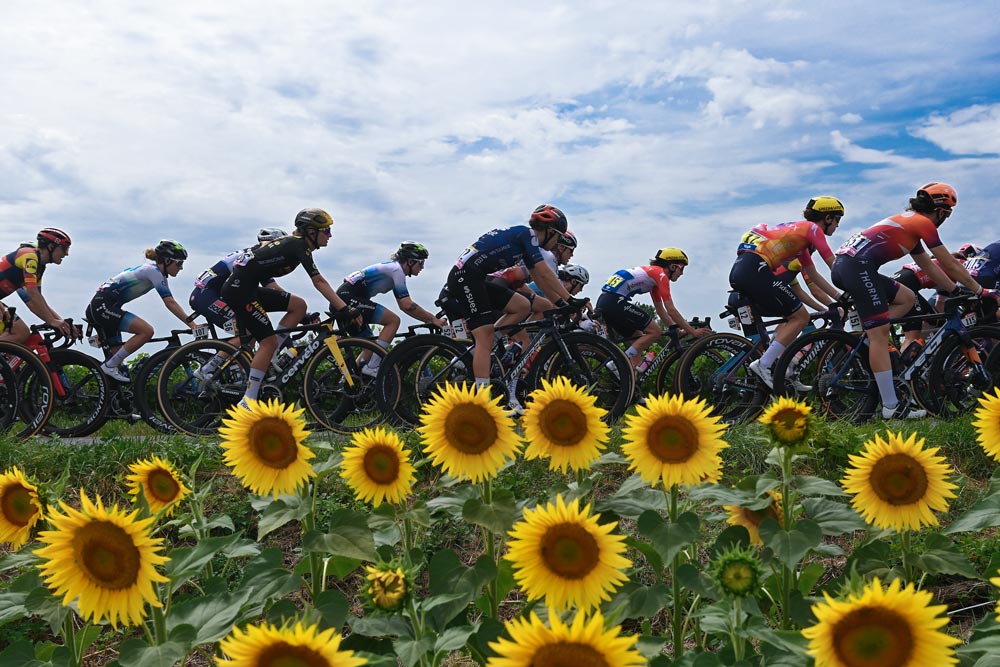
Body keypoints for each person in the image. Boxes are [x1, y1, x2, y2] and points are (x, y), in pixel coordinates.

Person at [830, 182, 994, 419]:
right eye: (947, 214)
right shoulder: (922, 223)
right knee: (880, 333)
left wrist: (954, 290)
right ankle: (891, 407)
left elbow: (928, 265)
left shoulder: (910, 225)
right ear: (939, 209)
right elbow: (947, 262)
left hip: (847, 266)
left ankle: (870, 336)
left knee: (906, 298)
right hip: (857, 268)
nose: (945, 219)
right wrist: (979, 291)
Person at [221, 208, 361, 409]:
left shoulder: (294, 244)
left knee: (298, 305)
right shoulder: (298, 245)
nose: (330, 235)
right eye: (326, 230)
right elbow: (319, 281)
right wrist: (345, 308)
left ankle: (272, 356)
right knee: (267, 342)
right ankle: (248, 401)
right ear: (311, 232)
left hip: (247, 287)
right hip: (240, 291)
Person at [443, 204, 586, 389]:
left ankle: (486, 345)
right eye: (558, 236)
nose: (557, 242)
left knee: (522, 306)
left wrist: (561, 303)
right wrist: (570, 299)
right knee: (484, 335)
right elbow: (545, 272)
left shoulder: (526, 241)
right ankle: (482, 399)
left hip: (476, 277)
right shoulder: (527, 235)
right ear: (550, 231)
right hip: (465, 277)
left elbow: (540, 278)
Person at [729, 196, 845, 388]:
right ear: (828, 218)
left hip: (742, 270)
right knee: (801, 317)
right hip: (755, 268)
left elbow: (814, 276)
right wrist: (856, 288)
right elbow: (833, 263)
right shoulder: (813, 229)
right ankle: (765, 364)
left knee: (790, 316)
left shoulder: (798, 243)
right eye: (837, 220)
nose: (837, 226)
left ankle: (783, 370)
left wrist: (839, 298)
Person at [87, 240, 196, 382]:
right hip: (103, 307)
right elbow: (170, 302)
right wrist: (192, 325)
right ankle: (109, 367)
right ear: (167, 261)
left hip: (102, 306)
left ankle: (113, 392)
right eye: (179, 263)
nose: (181, 268)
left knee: (117, 358)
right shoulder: (153, 271)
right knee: (146, 331)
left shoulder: (154, 271)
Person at [337, 241, 446, 378]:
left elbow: (403, 305)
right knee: (393, 321)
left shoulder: (392, 269)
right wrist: (433, 319)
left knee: (370, 346)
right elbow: (407, 305)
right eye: (421, 263)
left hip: (345, 299)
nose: (422, 267)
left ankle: (348, 382)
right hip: (348, 300)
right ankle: (373, 367)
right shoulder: (397, 271)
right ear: (411, 261)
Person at [596, 248, 711, 368]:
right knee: (656, 331)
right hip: (614, 301)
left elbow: (661, 311)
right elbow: (671, 310)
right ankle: (618, 363)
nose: (682, 273)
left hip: (606, 301)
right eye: (682, 268)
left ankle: (629, 379)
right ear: (672, 266)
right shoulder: (661, 275)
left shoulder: (653, 277)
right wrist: (692, 331)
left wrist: (676, 330)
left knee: (638, 339)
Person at [189, 227, 288, 335]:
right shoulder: (257, 257)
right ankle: (222, 353)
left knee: (253, 330)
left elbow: (273, 289)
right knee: (248, 331)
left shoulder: (255, 253)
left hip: (211, 294)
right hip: (205, 296)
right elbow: (273, 288)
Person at [0, 228, 75, 343]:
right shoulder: (30, 257)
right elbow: (33, 294)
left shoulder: (40, 267)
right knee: (18, 331)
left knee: (20, 333)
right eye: (64, 249)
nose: (66, 254)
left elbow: (35, 301)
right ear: (51, 247)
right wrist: (52, 321)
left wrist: (62, 322)